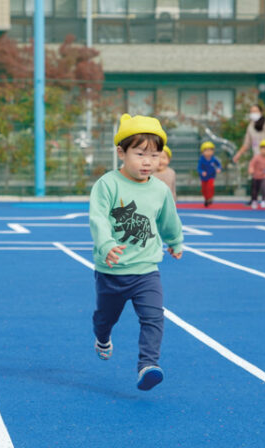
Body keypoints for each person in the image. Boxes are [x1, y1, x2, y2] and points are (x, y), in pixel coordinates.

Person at [89, 113, 184, 391]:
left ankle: (148, 365)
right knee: (105, 318)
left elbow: (168, 219)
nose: (148, 162)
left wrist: (175, 241)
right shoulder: (107, 184)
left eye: (155, 156)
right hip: (112, 271)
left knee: (154, 318)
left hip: (146, 270)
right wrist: (106, 245)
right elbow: (98, 218)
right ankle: (103, 337)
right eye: (141, 154)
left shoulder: (160, 190)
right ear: (121, 152)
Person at [248, 140, 265, 209]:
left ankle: (263, 201)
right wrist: (251, 169)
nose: (264, 151)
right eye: (263, 149)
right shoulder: (256, 157)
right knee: (255, 190)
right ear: (260, 149)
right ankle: (254, 201)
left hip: (264, 177)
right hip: (256, 177)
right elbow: (251, 164)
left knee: (264, 188)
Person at [197, 141, 222, 207]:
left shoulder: (214, 159)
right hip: (204, 178)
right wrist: (202, 172)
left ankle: (210, 198)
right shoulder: (201, 160)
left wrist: (218, 168)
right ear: (202, 152)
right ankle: (206, 199)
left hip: (211, 176)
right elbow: (199, 168)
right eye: (206, 151)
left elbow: (219, 165)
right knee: (204, 189)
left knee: (210, 187)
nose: (208, 152)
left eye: (210, 150)